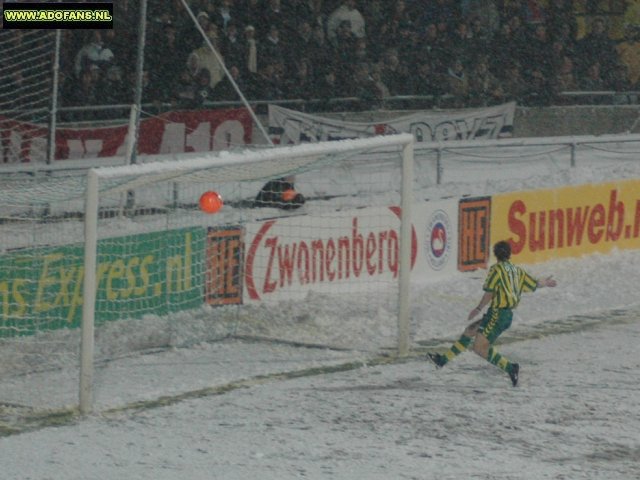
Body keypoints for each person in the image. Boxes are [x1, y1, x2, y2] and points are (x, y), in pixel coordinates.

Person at [427, 240, 557, 387]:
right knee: (469, 331)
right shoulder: (517, 270)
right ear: (509, 254)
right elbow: (533, 284)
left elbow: (490, 292)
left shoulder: (496, 270)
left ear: (495, 255)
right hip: (501, 314)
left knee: (479, 348)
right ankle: (442, 360)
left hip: (498, 315)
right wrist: (545, 283)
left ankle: (511, 368)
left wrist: (477, 309)